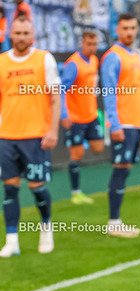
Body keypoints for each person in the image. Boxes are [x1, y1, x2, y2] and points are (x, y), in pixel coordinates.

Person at [0, 16, 60, 258]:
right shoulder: (1, 62)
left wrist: (53, 130)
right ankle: (11, 241)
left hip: (36, 137)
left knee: (37, 188)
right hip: (6, 137)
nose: (21, 37)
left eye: (26, 33)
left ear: (32, 35)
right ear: (10, 34)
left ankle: (46, 229)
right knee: (9, 189)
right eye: (17, 33)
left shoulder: (44, 59)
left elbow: (55, 98)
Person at [100, 13, 140, 238]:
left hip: (136, 123)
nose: (129, 32)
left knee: (126, 169)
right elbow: (109, 92)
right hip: (123, 123)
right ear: (117, 30)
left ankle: (116, 221)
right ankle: (114, 222)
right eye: (125, 28)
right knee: (120, 169)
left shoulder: (135, 55)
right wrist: (114, 124)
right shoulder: (113, 56)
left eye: (132, 28)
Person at [60, 31, 103, 205]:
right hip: (76, 118)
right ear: (82, 44)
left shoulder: (94, 60)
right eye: (89, 44)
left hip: (91, 115)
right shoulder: (73, 64)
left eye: (95, 44)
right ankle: (76, 193)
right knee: (77, 154)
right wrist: (64, 114)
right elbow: (61, 90)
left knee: (98, 148)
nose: (92, 48)